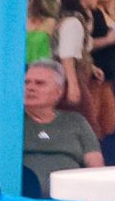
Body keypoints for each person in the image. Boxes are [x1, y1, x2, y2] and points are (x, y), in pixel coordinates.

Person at [21, 58, 103, 193]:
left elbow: (96, 167)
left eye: (39, 83)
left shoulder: (76, 121)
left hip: (72, 196)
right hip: (22, 198)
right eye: (26, 82)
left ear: (58, 92)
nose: (30, 88)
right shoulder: (11, 123)